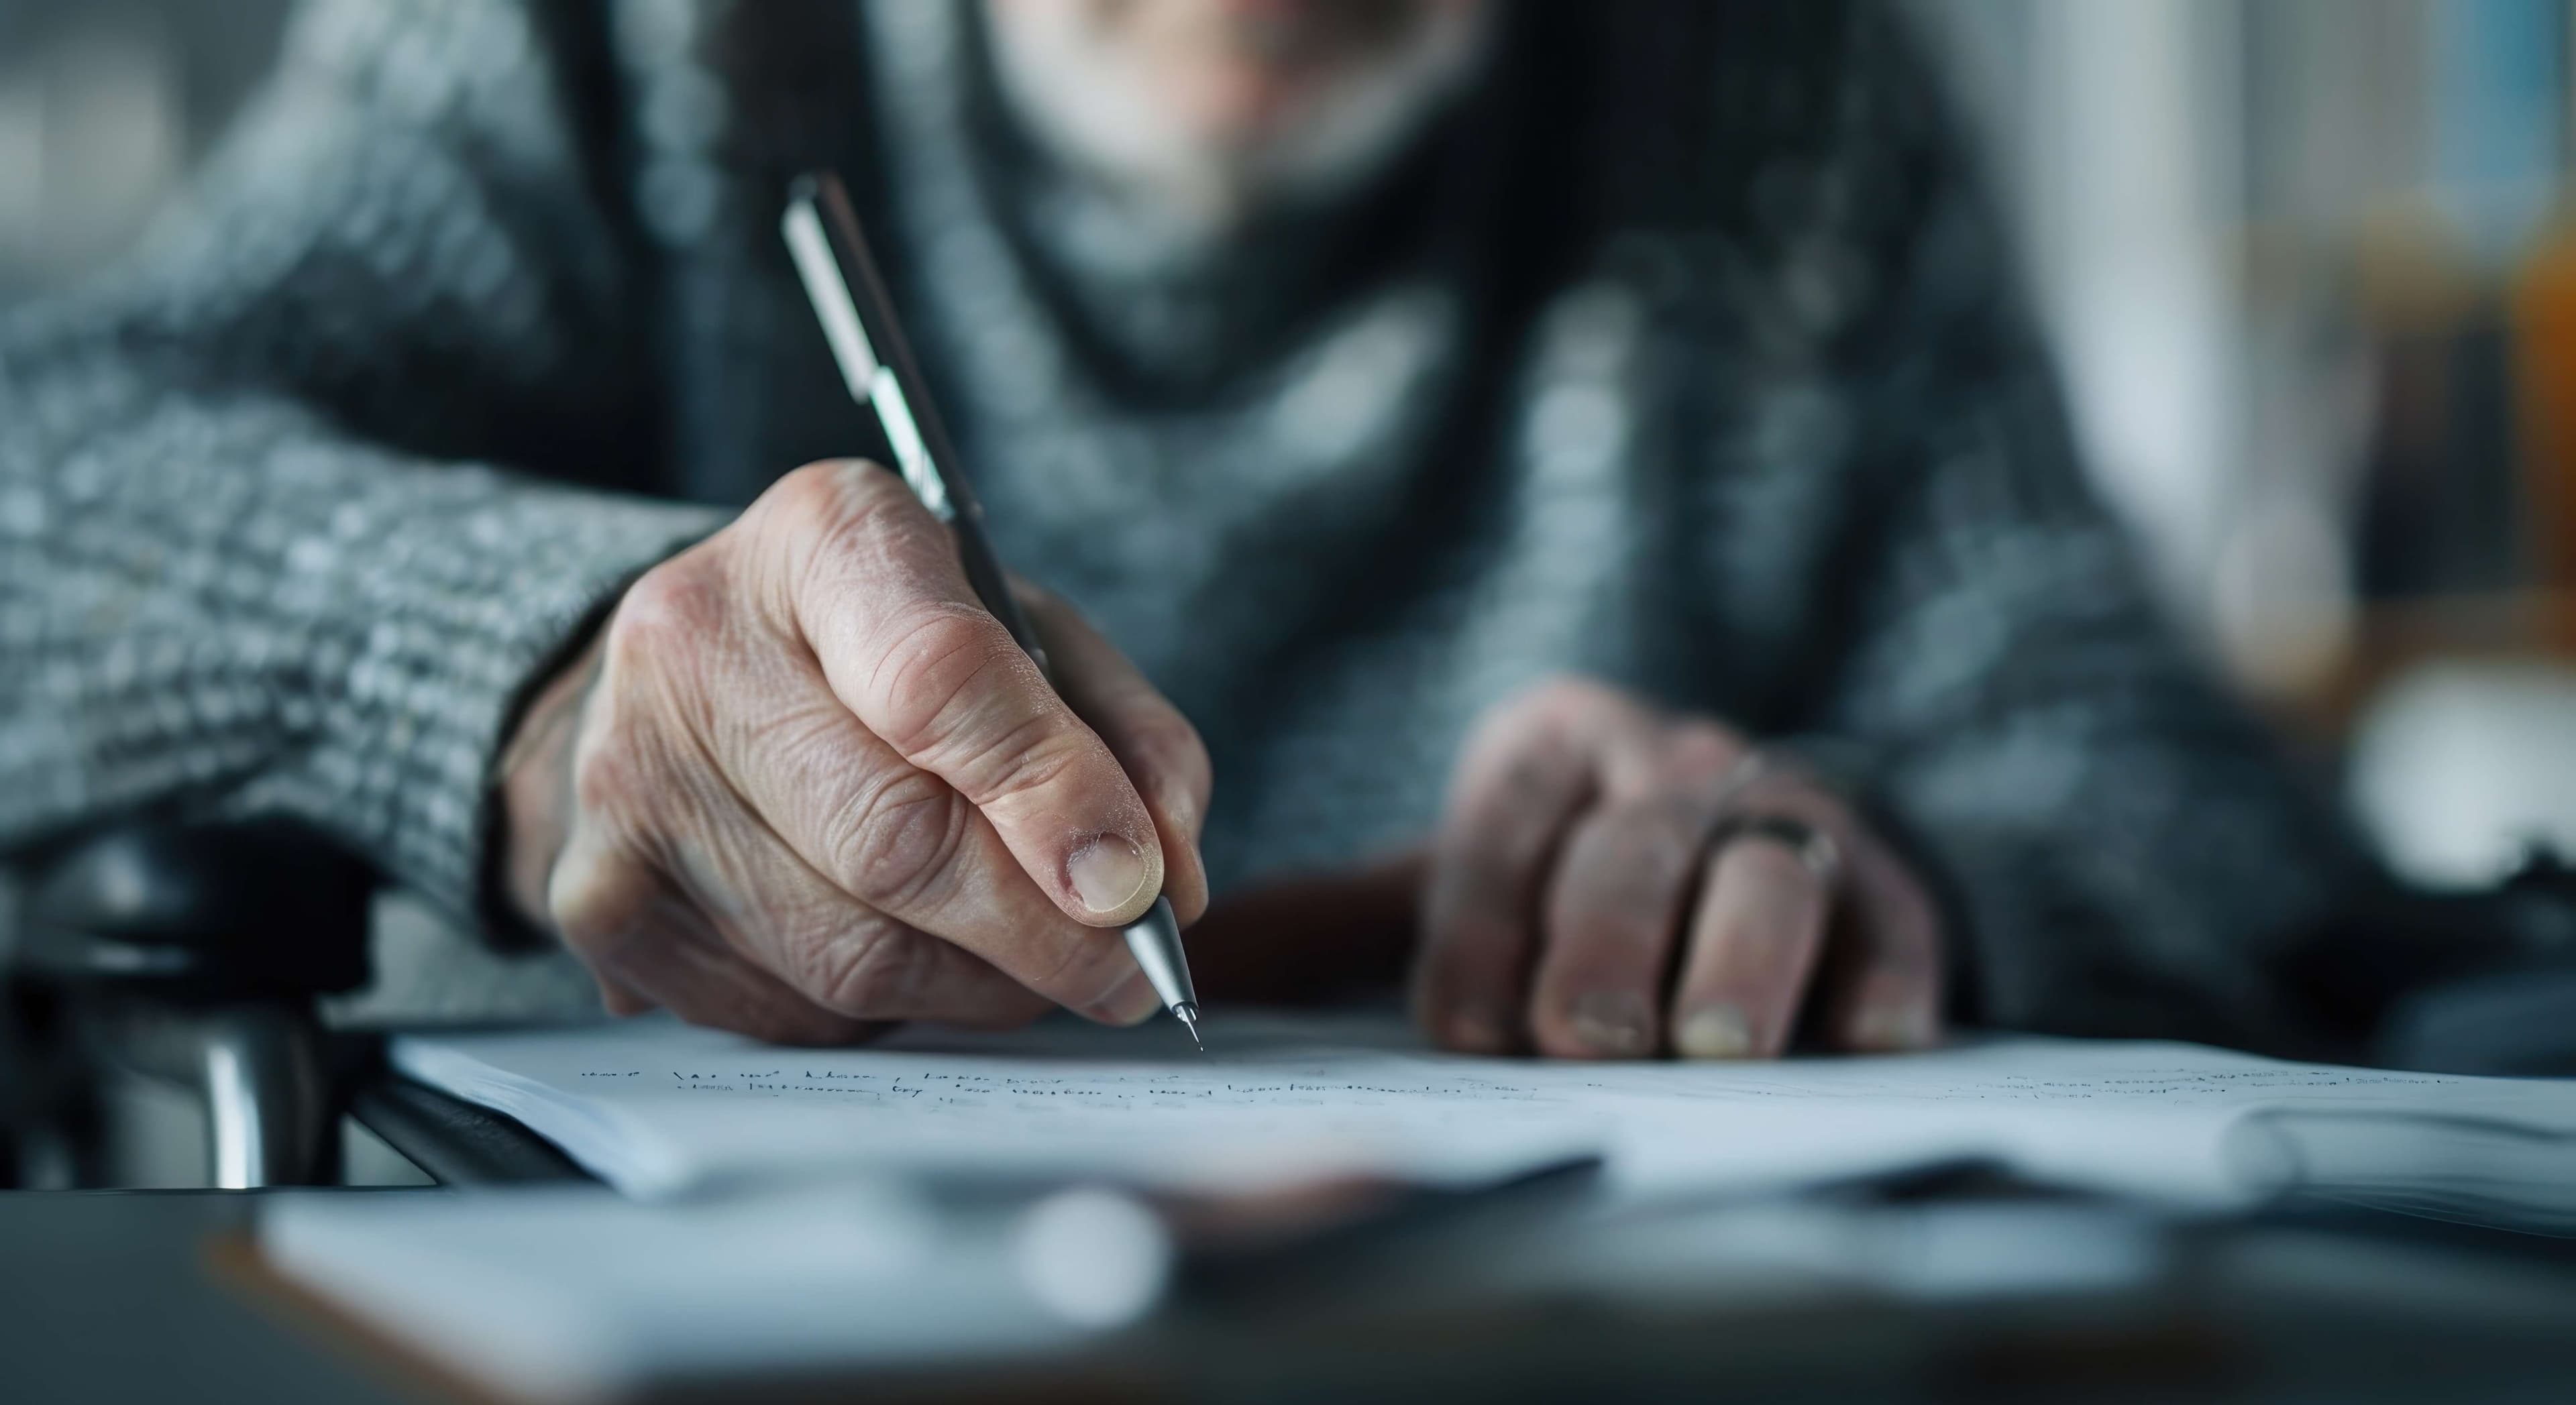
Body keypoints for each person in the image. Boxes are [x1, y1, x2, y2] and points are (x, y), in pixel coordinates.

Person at [0, 0, 2382, 1060]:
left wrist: (1877, 868)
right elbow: (44, 482)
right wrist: (527, 696)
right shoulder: (613, 33)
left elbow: (2174, 786)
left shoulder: (1768, 75)